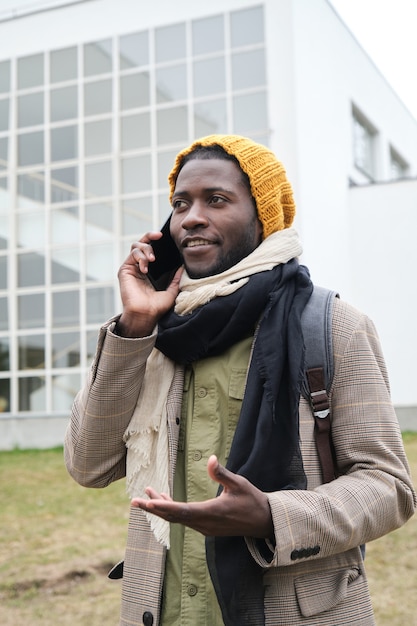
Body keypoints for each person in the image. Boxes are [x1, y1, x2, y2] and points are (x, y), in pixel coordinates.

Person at [64, 134, 416, 626]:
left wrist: (272, 517)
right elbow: (88, 464)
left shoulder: (333, 325)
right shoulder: (153, 330)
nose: (191, 217)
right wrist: (135, 327)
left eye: (218, 199)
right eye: (180, 204)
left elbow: (389, 486)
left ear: (262, 216)